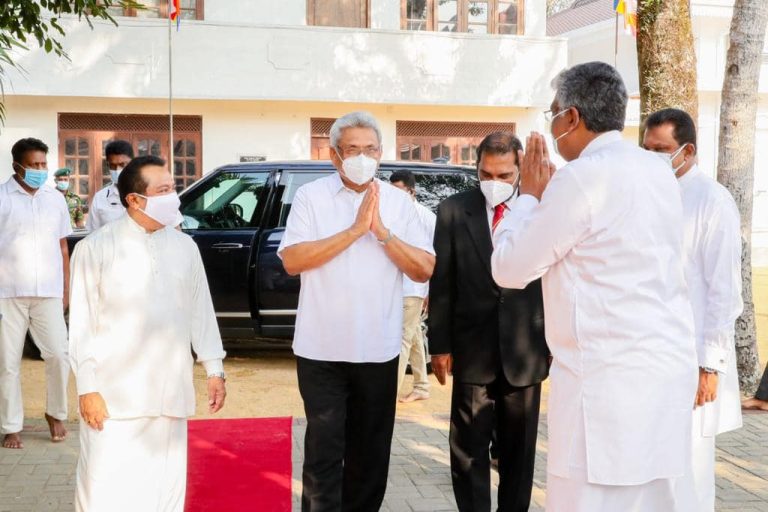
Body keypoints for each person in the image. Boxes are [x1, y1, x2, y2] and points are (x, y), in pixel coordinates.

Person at [491, 62, 698, 511]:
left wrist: (528, 198)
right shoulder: (657, 171)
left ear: (571, 117)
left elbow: (510, 268)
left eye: (553, 113)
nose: (551, 124)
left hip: (605, 382)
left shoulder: (582, 176)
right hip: (663, 374)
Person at [278, 112, 435, 511]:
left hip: (378, 350)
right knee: (323, 452)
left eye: (370, 149)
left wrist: (381, 232)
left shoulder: (398, 203)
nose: (362, 157)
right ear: (334, 155)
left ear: (380, 153)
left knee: (370, 455)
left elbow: (423, 268)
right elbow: (292, 260)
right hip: (321, 350)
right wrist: (353, 231)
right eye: (352, 149)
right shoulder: (311, 197)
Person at [69, 155, 227, 511]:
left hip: (170, 392)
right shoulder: (96, 248)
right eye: (164, 190)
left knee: (164, 492)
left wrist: (214, 369)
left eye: (173, 188)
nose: (174, 197)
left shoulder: (185, 247)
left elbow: (200, 311)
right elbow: (81, 325)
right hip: (113, 398)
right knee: (104, 492)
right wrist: (87, 389)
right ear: (134, 200)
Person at [429, 132, 549, 511]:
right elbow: (442, 282)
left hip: (525, 350)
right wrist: (439, 345)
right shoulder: (453, 210)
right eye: (486, 174)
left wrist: (555, 342)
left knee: (519, 453)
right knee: (467, 451)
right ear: (476, 167)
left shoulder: (543, 211)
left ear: (520, 169)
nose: (493, 183)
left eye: (504, 175)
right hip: (472, 349)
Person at [643, 108, 743, 511]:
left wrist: (710, 366)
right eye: (647, 148)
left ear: (687, 151)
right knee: (651, 471)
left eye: (661, 149)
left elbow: (724, 291)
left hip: (693, 358)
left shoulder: (712, 200)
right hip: (649, 354)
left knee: (689, 474)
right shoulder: (646, 194)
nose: (653, 157)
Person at [0, 137, 71, 449]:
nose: (40, 170)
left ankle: (56, 413)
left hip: (49, 293)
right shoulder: (2, 197)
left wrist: (66, 289)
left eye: (44, 164)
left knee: (58, 354)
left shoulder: (55, 199)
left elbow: (63, 246)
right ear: (17, 166)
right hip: (8, 293)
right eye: (34, 165)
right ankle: (11, 426)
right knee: (8, 362)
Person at [389, 169, 435, 403]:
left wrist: (430, 291)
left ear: (412, 192)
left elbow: (435, 257)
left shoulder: (426, 217)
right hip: (395, 287)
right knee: (413, 333)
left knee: (401, 339)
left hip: (413, 288)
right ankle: (421, 386)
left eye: (399, 191)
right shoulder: (392, 214)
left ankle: (388, 396)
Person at [86, 139, 133, 231]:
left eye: (122, 165)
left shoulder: (146, 194)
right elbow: (93, 234)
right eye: (113, 166)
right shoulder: (100, 198)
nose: (117, 170)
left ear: (132, 164)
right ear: (108, 165)